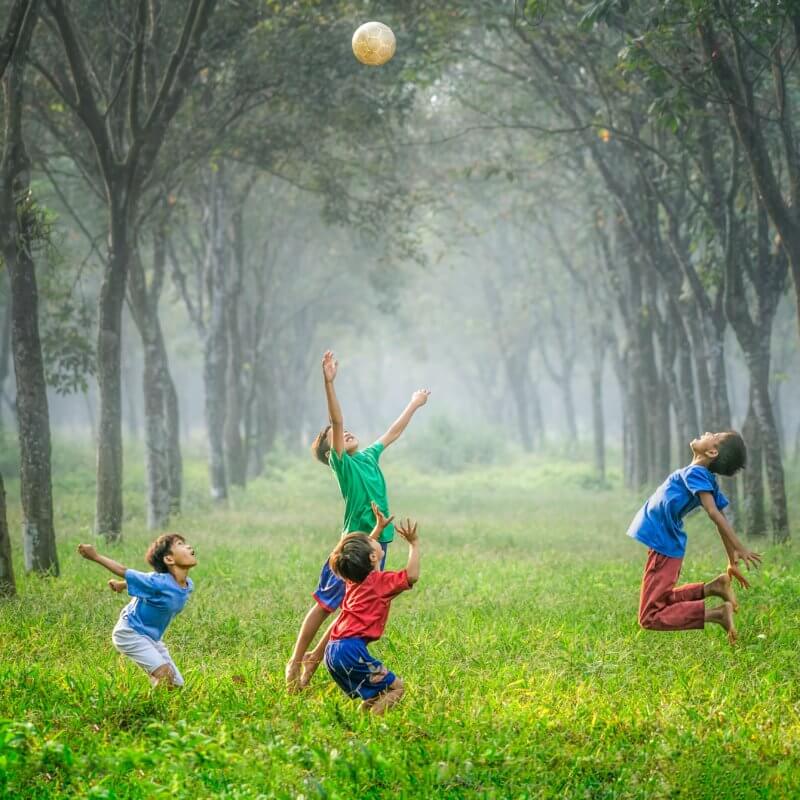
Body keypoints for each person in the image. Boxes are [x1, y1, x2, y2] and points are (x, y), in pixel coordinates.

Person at [285, 350, 429, 691]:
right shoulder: (344, 466)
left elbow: (392, 432)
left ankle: (312, 667)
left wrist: (413, 404)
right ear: (329, 452)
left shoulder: (367, 457)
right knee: (324, 605)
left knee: (352, 607)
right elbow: (336, 420)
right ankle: (295, 662)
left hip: (379, 543)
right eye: (334, 436)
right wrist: (329, 382)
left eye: (346, 432)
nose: (344, 432)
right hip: (353, 546)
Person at [627, 431, 761, 644]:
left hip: (664, 545)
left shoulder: (697, 473)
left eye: (714, 435)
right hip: (664, 543)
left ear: (712, 451)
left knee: (649, 616)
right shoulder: (703, 476)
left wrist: (739, 546)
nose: (707, 432)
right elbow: (720, 516)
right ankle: (713, 588)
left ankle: (717, 614)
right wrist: (731, 559)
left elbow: (714, 513)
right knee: (661, 600)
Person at [323, 511, 420, 714]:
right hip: (351, 651)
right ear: (373, 556)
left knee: (377, 692)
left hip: (333, 650)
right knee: (397, 688)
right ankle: (372, 728)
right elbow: (411, 576)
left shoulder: (353, 579)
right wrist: (414, 544)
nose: (372, 539)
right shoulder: (380, 583)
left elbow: (361, 554)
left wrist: (378, 528)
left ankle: (361, 722)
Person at [77, 534, 197, 687]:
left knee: (175, 685)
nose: (188, 546)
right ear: (169, 559)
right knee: (165, 675)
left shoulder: (188, 585)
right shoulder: (157, 581)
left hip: (152, 638)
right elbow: (124, 570)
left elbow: (146, 584)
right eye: (180, 544)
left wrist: (122, 585)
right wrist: (95, 556)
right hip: (130, 632)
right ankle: (147, 707)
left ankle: (157, 699)